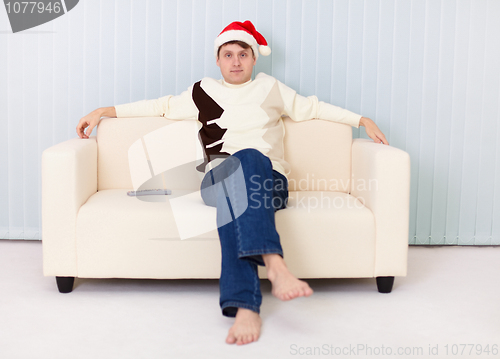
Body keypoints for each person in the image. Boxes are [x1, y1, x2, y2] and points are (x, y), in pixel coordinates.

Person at [76, 20, 389, 346]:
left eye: (243, 54)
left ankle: (244, 306)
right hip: (219, 177)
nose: (236, 61)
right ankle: (275, 264)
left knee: (249, 162)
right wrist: (105, 110)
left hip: (270, 181)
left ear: (254, 59)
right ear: (218, 60)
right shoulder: (202, 91)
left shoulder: (271, 88)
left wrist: (361, 120)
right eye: (228, 54)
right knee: (232, 171)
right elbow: (160, 106)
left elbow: (314, 107)